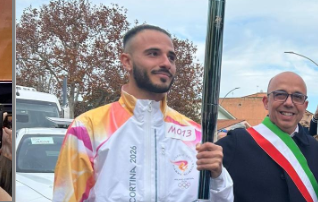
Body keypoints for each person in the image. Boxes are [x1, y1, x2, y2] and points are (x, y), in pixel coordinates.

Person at [53, 25, 233, 201]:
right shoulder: (88, 128)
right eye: (153, 54)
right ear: (127, 61)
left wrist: (217, 178)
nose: (166, 63)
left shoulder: (195, 134)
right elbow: (67, 197)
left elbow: (222, 200)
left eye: (171, 57)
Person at [218, 72, 318, 201]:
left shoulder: (316, 148)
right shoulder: (236, 143)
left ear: (305, 106)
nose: (289, 103)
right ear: (266, 102)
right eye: (280, 94)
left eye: (297, 97)